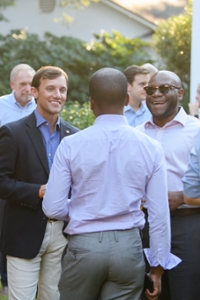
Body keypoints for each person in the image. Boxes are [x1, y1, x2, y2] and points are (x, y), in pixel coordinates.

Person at [43, 67, 180, 300]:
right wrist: (158, 267)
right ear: (126, 100)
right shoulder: (150, 147)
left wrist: (80, 209)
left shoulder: (71, 145)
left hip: (84, 246)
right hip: (127, 247)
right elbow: (158, 213)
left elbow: (52, 207)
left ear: (91, 103)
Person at [0, 65, 79, 300]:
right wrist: (38, 191)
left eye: (62, 90)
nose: (58, 95)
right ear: (35, 92)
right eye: (51, 89)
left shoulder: (75, 136)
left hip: (63, 233)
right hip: (24, 231)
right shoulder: (12, 133)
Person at [137, 70, 200, 300]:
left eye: (164, 89)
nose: (156, 94)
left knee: (187, 292)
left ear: (180, 93)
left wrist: (183, 197)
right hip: (146, 228)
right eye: (150, 90)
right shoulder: (137, 134)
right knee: (149, 294)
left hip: (188, 226)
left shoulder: (197, 130)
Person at [0, 63, 36, 296]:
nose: (27, 88)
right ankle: (5, 278)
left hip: (32, 180)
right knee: (3, 227)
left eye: (31, 84)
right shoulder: (1, 106)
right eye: (22, 84)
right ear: (12, 84)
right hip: (5, 178)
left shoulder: (41, 107)